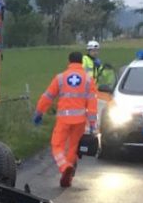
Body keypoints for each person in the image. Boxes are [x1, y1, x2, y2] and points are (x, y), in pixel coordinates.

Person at [33, 50, 98, 187]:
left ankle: (64, 168)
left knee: (57, 145)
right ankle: (67, 177)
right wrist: (93, 124)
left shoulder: (60, 78)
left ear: (69, 62)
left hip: (63, 119)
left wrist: (39, 112)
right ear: (81, 62)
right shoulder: (88, 80)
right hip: (80, 120)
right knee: (72, 148)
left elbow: (48, 96)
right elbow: (92, 104)